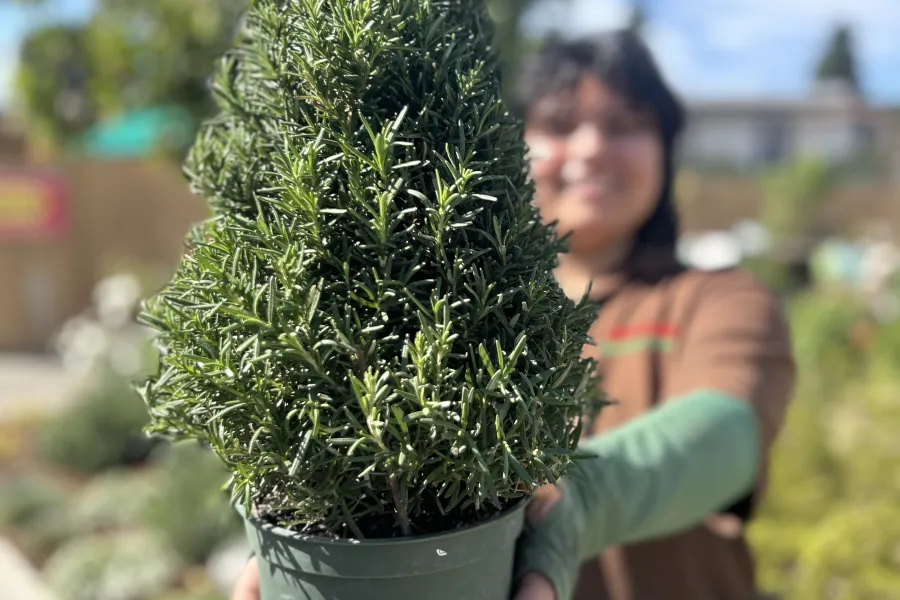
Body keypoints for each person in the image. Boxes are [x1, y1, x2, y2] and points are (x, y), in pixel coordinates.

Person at [231, 29, 795, 600]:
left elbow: (724, 435)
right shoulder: (447, 309)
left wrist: (581, 497)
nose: (592, 147)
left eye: (626, 124)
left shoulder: (718, 299)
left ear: (665, 149)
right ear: (505, 144)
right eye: (559, 123)